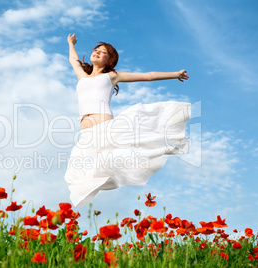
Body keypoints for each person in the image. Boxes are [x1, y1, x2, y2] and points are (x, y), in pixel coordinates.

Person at [64, 34, 191, 207]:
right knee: (78, 171)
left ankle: (166, 143)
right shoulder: (82, 76)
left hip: (104, 127)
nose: (97, 53)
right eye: (96, 50)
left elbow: (147, 76)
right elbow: (73, 60)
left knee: (128, 152)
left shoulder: (112, 76)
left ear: (109, 61)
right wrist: (71, 43)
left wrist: (175, 74)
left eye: (103, 53)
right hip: (86, 134)